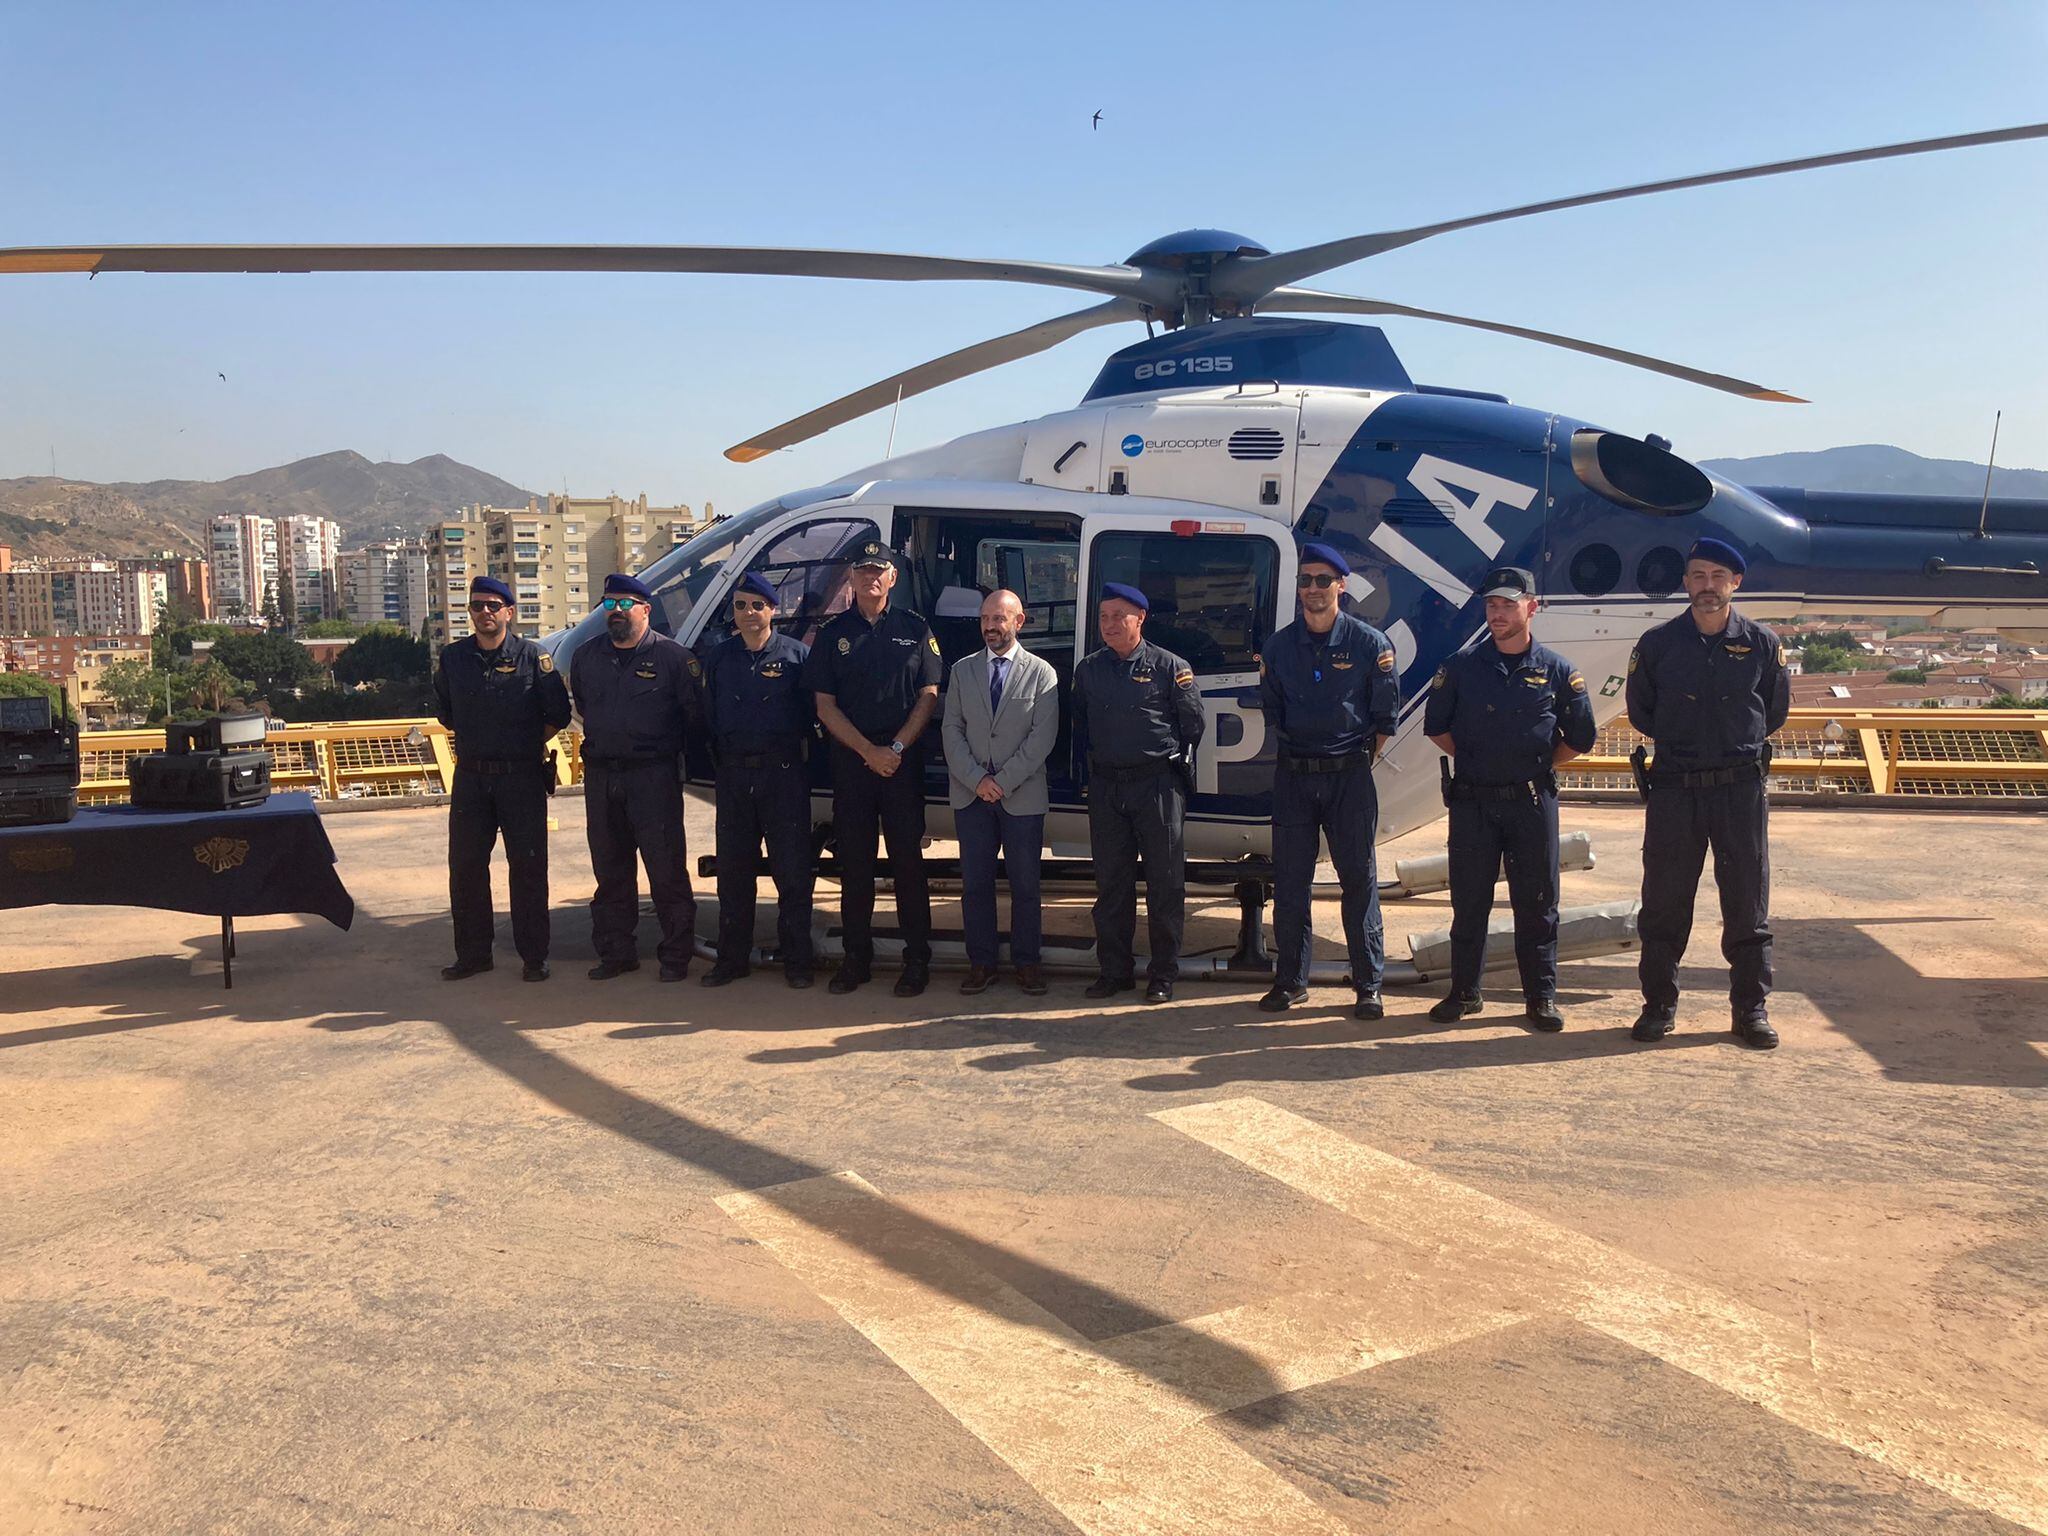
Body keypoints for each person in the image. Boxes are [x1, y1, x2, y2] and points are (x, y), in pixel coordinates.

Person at [1626, 537, 1790, 1049]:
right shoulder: (1657, 644)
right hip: (1675, 787)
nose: (1708, 586)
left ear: (1735, 583)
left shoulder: (1761, 643)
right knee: (1664, 903)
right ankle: (1658, 1007)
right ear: (1686, 584)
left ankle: (1750, 1010)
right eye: (1698, 576)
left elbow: (1774, 711)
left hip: (1740, 789)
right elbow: (1642, 712)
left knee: (1746, 902)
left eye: (1718, 576)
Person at [1422, 566, 1597, 1029]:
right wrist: (1484, 761)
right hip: (1473, 802)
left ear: (1531, 607)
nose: (1497, 614)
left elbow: (1580, 738)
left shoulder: (1558, 671)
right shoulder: (1460, 666)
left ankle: (1540, 998)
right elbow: (1437, 728)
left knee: (1537, 903)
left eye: (1507, 605)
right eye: (1491, 605)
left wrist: (1530, 767)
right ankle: (1464, 993)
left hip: (1530, 804)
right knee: (1469, 901)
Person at [1256, 543, 1399, 1021]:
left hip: (1348, 782)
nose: (1313, 589)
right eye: (1305, 580)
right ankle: (1291, 982)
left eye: (1323, 580)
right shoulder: (1277, 647)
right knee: (1291, 883)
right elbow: (1274, 713)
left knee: (1359, 881)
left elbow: (1383, 721)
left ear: (1342, 586)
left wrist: (1349, 762)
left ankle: (1368, 987)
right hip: (1294, 779)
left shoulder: (1369, 645)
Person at [802, 540, 944, 997]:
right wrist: (869, 751)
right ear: (854, 578)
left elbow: (929, 695)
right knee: (856, 867)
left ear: (893, 577)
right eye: (862, 571)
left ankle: (916, 961)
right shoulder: (832, 634)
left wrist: (896, 747)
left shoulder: (916, 630)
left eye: (879, 570)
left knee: (908, 866)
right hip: (854, 764)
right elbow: (824, 705)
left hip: (902, 765)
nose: (870, 578)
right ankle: (856, 959)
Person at [1071, 582, 1205, 1005]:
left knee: (1165, 885)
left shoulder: (1170, 667)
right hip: (1108, 787)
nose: (1109, 625)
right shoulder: (1089, 669)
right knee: (1112, 884)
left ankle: (1163, 974)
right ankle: (1115, 971)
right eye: (1104, 617)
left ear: (1140, 619)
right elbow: (1080, 727)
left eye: (1118, 616)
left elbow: (1193, 726)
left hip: (1157, 787)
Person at [433, 573, 572, 982]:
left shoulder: (533, 658)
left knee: (528, 868)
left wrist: (525, 742)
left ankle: (534, 957)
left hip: (521, 777)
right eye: (478, 606)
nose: (485, 613)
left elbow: (558, 715)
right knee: (466, 867)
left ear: (509, 612)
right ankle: (474, 954)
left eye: (494, 606)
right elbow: (446, 712)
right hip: (472, 779)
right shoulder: (454, 659)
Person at [569, 572, 706, 982]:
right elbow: (582, 706)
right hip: (601, 776)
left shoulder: (675, 659)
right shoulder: (587, 657)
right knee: (609, 869)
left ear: (646, 610)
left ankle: (676, 955)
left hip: (653, 777)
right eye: (609, 604)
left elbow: (695, 719)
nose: (616, 612)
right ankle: (616, 952)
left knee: (665, 870)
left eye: (625, 604)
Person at [701, 572, 818, 990]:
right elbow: (708, 717)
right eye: (740, 606)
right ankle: (731, 960)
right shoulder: (719, 658)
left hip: (783, 775)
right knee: (734, 874)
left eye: (757, 605)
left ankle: (798, 961)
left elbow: (811, 718)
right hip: (734, 776)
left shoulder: (796, 656)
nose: (748, 614)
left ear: (773, 610)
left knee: (792, 873)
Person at [941, 589, 1060, 996]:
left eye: (999, 618)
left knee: (1025, 885)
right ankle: (982, 963)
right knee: (975, 886)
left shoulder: (1043, 673)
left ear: (1019, 621)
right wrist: (977, 779)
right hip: (972, 796)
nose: (991, 626)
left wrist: (1002, 782)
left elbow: (1042, 738)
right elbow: (951, 730)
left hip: (1021, 797)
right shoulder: (961, 670)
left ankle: (1027, 963)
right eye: (985, 619)